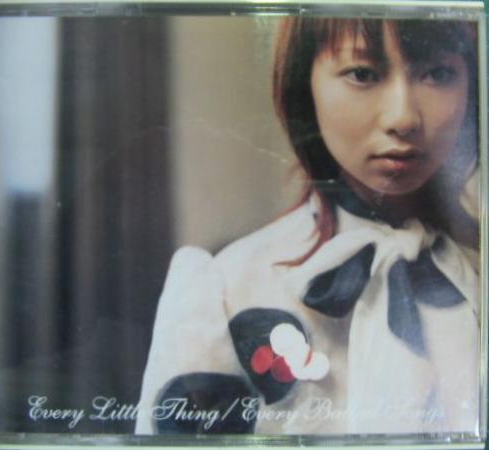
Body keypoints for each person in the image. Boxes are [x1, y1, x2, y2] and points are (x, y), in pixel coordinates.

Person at [135, 17, 480, 435]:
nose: (403, 117)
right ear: (304, 84)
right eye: (362, 74)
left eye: (438, 74)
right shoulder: (228, 288)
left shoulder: (476, 269)